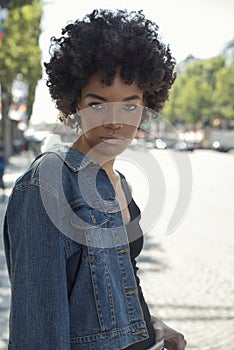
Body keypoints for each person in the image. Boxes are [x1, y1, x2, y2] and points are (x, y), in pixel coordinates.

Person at [4, 9, 187, 350]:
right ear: (74, 103)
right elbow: (38, 333)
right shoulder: (46, 185)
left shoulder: (119, 180)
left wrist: (155, 327)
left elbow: (116, 286)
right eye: (98, 105)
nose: (116, 121)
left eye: (130, 106)